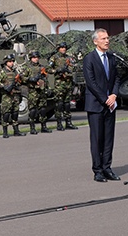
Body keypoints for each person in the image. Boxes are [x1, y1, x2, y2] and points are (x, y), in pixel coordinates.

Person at [83, 29, 121, 182]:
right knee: (97, 139)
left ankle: (107, 168)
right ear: (95, 41)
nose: (107, 41)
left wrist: (114, 95)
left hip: (110, 104)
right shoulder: (89, 58)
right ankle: (97, 170)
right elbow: (90, 82)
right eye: (103, 38)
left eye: (107, 38)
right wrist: (105, 98)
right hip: (96, 104)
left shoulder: (112, 58)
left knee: (108, 139)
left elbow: (116, 78)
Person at [48, 42, 78, 131]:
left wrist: (69, 70)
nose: (64, 49)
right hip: (59, 83)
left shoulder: (69, 58)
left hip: (68, 83)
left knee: (67, 104)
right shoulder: (54, 58)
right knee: (59, 104)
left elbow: (74, 67)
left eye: (65, 47)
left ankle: (68, 122)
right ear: (58, 48)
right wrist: (57, 70)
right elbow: (48, 69)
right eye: (62, 47)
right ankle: (59, 123)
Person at [0, 53, 25, 137]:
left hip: (15, 95)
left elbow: (21, 81)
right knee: (6, 114)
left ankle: (16, 130)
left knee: (15, 113)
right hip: (7, 96)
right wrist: (4, 87)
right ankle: (5, 132)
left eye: (12, 61)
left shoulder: (15, 72)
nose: (12, 63)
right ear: (6, 62)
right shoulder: (2, 72)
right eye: (10, 61)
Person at [24, 50, 51, 134]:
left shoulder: (42, 67)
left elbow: (45, 79)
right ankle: (32, 127)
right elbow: (22, 78)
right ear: (31, 58)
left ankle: (44, 126)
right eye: (34, 57)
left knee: (43, 109)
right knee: (32, 110)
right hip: (33, 91)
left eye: (37, 57)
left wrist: (48, 88)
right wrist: (30, 79)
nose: (36, 59)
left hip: (41, 90)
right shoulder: (27, 67)